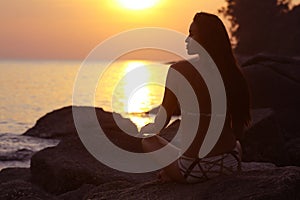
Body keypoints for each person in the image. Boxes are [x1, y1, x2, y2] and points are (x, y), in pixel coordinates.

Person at [140, 12, 251, 183]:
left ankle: (171, 174)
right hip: (230, 163)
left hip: (193, 170)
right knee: (236, 144)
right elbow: (238, 132)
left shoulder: (179, 71)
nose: (186, 39)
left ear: (206, 39)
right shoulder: (232, 73)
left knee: (148, 141)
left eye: (192, 34)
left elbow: (161, 121)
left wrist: (149, 128)